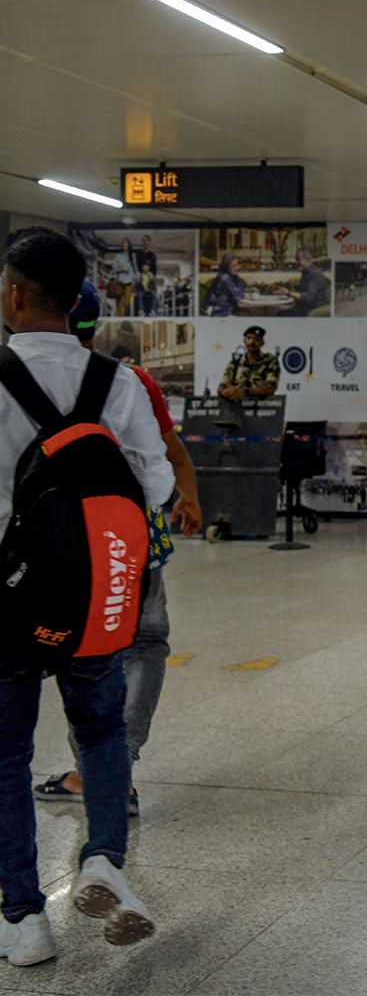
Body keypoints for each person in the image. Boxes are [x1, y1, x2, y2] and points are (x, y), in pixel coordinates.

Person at [0, 230, 174, 965]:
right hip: (100, 596)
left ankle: (22, 920)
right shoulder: (120, 382)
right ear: (76, 303)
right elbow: (158, 488)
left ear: (13, 294)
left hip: (11, 601)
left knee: (7, 753)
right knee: (99, 733)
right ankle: (103, 859)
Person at [34, 284, 203, 817]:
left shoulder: (23, 376)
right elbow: (167, 460)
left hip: (56, 548)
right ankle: (115, 766)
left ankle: (93, 772)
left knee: (77, 651)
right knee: (146, 644)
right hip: (129, 544)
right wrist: (184, 498)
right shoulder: (131, 380)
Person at [218, 325, 279, 401]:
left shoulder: (269, 362)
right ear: (244, 341)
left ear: (262, 343)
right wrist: (226, 392)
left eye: (256, 339)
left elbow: (271, 388)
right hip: (237, 408)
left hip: (261, 407)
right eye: (249, 338)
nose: (252, 342)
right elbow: (223, 386)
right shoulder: (235, 364)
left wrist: (245, 391)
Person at [272, 247, 328, 317]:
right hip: (304, 308)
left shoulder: (314, 274)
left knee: (280, 314)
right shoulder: (307, 273)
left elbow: (308, 297)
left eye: (298, 259)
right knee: (279, 312)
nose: (296, 262)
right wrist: (291, 286)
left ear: (307, 259)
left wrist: (288, 293)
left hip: (311, 310)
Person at [205, 252, 248, 317]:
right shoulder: (223, 277)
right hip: (220, 311)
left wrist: (248, 291)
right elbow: (237, 295)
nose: (237, 268)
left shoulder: (234, 276)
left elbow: (243, 289)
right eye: (234, 266)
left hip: (230, 309)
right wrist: (244, 294)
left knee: (248, 314)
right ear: (226, 267)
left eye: (237, 265)